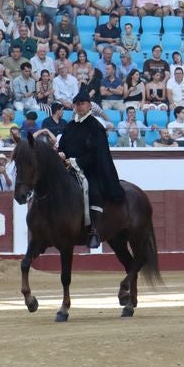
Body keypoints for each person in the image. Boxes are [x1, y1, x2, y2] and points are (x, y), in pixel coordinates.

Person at [56, 88, 125, 248]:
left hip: (91, 169)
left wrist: (74, 162)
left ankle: (94, 230)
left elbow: (96, 154)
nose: (79, 107)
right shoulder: (71, 126)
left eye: (83, 104)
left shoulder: (96, 127)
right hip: (69, 168)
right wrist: (61, 154)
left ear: (89, 106)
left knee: (92, 189)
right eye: (77, 104)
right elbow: (62, 145)